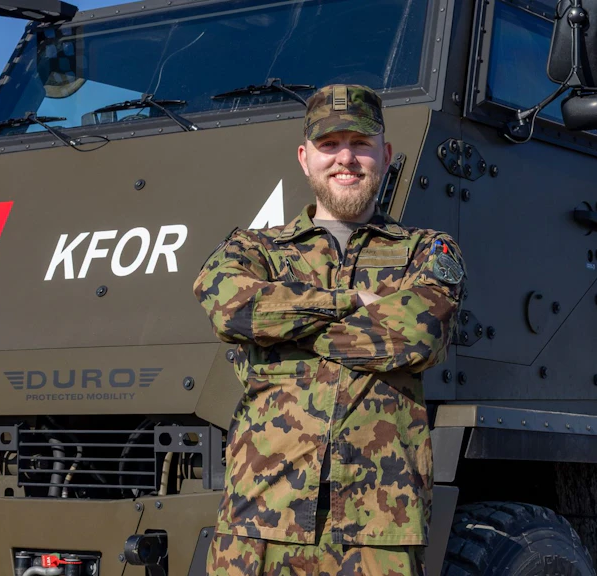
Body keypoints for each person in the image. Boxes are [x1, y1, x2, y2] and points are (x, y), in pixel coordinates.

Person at [194, 84, 465, 575]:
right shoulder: (254, 250)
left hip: (378, 527)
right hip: (259, 522)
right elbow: (229, 307)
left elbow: (420, 332)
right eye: (329, 144)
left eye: (360, 143)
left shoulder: (425, 250)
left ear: (385, 154)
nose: (346, 158)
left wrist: (283, 326)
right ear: (305, 158)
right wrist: (352, 302)